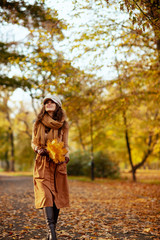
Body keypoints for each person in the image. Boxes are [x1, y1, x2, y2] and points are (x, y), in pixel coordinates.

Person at [31, 94, 70, 240]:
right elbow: (33, 142)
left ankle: (50, 234)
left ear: (57, 105)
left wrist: (66, 155)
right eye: (46, 102)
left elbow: (65, 144)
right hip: (42, 163)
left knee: (56, 198)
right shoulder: (38, 123)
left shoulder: (63, 124)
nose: (48, 103)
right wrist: (37, 149)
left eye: (51, 101)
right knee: (46, 196)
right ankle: (52, 233)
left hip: (57, 164)